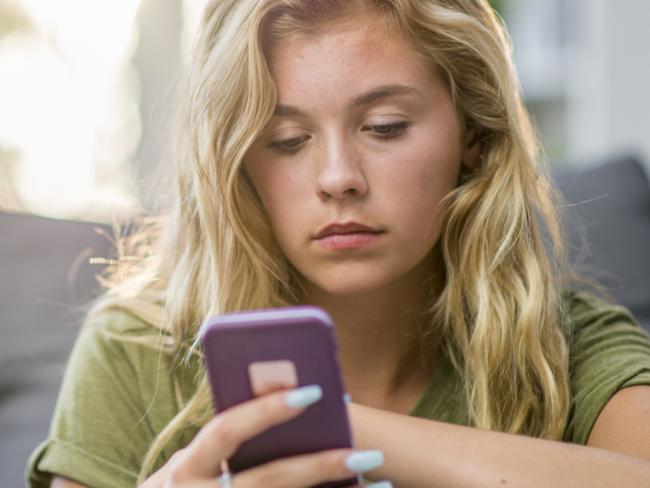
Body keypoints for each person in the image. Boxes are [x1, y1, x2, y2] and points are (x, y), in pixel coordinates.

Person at [27, 0, 650, 487]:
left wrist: (331, 426)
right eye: (288, 140)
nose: (337, 178)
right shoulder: (136, 346)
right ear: (240, 164)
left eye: (384, 128)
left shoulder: (561, 343)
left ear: (475, 135)